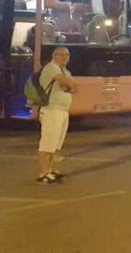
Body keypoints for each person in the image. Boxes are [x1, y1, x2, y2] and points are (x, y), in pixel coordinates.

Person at [36, 47, 77, 185]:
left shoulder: (65, 71)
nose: (65, 57)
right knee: (48, 142)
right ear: (54, 55)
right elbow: (67, 84)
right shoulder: (51, 67)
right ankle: (43, 173)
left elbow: (74, 87)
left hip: (62, 110)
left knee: (55, 143)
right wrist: (68, 85)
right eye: (61, 54)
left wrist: (69, 85)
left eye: (67, 55)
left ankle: (50, 169)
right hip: (51, 109)